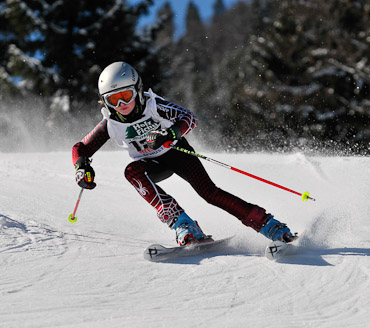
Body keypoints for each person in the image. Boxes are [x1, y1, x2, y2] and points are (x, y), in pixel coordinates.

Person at [72, 61, 295, 246]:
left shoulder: (154, 106)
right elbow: (80, 148)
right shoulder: (109, 124)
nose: (122, 104)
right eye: (113, 99)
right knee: (131, 171)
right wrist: (82, 167)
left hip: (177, 153)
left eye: (126, 95)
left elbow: (188, 117)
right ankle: (183, 225)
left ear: (138, 90)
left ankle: (268, 224)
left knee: (209, 193)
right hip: (151, 164)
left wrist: (170, 134)